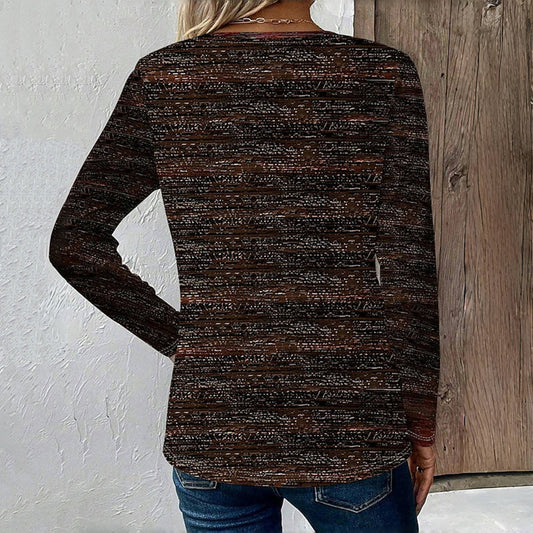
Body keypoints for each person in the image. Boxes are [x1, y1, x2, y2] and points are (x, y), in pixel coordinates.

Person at [48, 0, 441, 531]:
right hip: (349, 426)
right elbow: (408, 270)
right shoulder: (381, 73)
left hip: (214, 427)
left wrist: (190, 342)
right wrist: (420, 422)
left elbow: (74, 242)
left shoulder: (166, 76)